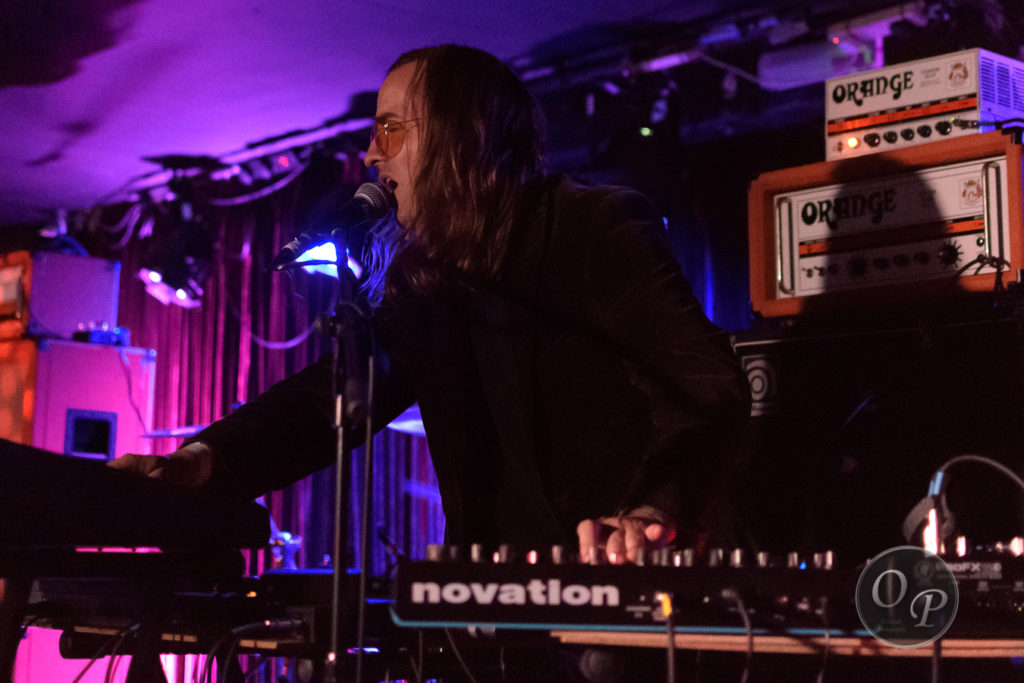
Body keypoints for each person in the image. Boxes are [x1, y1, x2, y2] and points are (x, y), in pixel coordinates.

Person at [111, 44, 749, 567]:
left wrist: (653, 512)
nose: (371, 153)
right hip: (494, 612)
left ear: (461, 134)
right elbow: (327, 402)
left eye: (391, 128)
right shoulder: (430, 284)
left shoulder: (591, 227)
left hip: (614, 581)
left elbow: (706, 384)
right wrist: (201, 460)